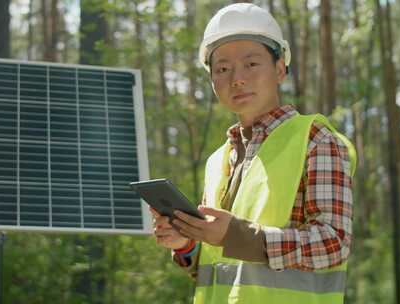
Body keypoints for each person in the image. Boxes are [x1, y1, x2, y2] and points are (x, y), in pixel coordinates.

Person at [151, 3, 357, 304]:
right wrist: (186, 244)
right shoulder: (217, 161)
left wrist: (237, 235)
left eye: (251, 64)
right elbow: (220, 268)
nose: (237, 78)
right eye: (222, 69)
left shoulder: (316, 140)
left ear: (280, 69)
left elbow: (333, 244)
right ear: (212, 81)